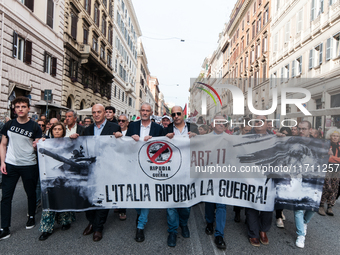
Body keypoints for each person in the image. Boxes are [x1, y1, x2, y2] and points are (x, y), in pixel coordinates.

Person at [0, 96, 42, 240]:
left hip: (29, 165)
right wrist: (2, 162)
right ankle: (4, 227)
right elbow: (3, 144)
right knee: (6, 196)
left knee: (30, 193)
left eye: (23, 106)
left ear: (28, 108)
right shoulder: (9, 124)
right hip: (11, 164)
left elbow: (38, 145)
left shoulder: (35, 126)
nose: (20, 109)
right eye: (17, 107)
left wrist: (37, 144)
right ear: (14, 109)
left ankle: (31, 216)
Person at [120, 103, 163, 243]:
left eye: (147, 110)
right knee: (136, 193)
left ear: (151, 112)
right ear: (140, 111)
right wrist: (130, 139)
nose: (145, 112)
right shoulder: (132, 126)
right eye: (143, 110)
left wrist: (154, 142)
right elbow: (125, 144)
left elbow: (164, 147)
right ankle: (140, 214)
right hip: (134, 165)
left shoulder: (158, 128)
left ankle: (140, 226)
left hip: (151, 167)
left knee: (146, 195)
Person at [82, 104, 121, 242]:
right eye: (94, 112)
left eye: (99, 112)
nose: (96, 114)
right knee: (89, 197)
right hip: (90, 169)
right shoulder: (87, 130)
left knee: (103, 197)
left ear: (105, 113)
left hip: (107, 168)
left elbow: (119, 148)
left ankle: (98, 227)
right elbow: (82, 147)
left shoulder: (114, 128)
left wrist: (119, 138)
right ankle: (91, 222)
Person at [163, 105, 198, 247]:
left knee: (185, 204)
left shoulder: (193, 127)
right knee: (171, 203)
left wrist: (197, 137)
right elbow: (159, 149)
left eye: (178, 113)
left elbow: (205, 145)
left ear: (183, 114)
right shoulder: (165, 130)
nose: (176, 116)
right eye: (173, 114)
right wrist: (165, 139)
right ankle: (172, 231)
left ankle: (183, 224)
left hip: (188, 171)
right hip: (171, 171)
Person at [38, 122, 75, 241]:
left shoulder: (68, 143)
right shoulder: (46, 143)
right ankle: (46, 228)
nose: (57, 131)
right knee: (49, 202)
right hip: (49, 176)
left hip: (64, 175)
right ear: (51, 131)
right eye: (55, 129)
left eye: (60, 129)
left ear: (63, 131)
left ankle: (66, 221)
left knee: (64, 199)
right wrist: (41, 142)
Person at [245, 115, 273, 247]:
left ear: (268, 123)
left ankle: (263, 230)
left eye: (262, 121)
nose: (259, 123)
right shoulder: (245, 138)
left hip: (269, 178)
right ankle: (253, 233)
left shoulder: (276, 138)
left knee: (267, 206)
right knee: (252, 206)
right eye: (256, 121)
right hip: (251, 177)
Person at [204, 115, 227, 250]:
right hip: (208, 175)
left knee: (222, 205)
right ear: (213, 124)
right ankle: (209, 222)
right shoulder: (205, 138)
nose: (221, 124)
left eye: (223, 122)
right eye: (218, 122)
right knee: (209, 202)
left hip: (224, 176)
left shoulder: (231, 139)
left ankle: (219, 235)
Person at [294, 120, 315, 249]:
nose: (301, 131)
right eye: (300, 129)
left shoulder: (319, 144)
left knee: (312, 206)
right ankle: (301, 235)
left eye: (304, 129)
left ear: (310, 130)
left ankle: (305, 222)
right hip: (297, 179)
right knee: (298, 209)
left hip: (312, 179)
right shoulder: (293, 142)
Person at [318, 128, 340, 216]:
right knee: (326, 186)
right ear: (330, 136)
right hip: (327, 168)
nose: (335, 137)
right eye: (334, 136)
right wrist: (335, 159)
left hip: (337, 170)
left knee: (335, 188)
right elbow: (326, 158)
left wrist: (333, 158)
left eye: (337, 136)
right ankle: (321, 205)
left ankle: (330, 206)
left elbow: (331, 158)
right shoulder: (326, 145)